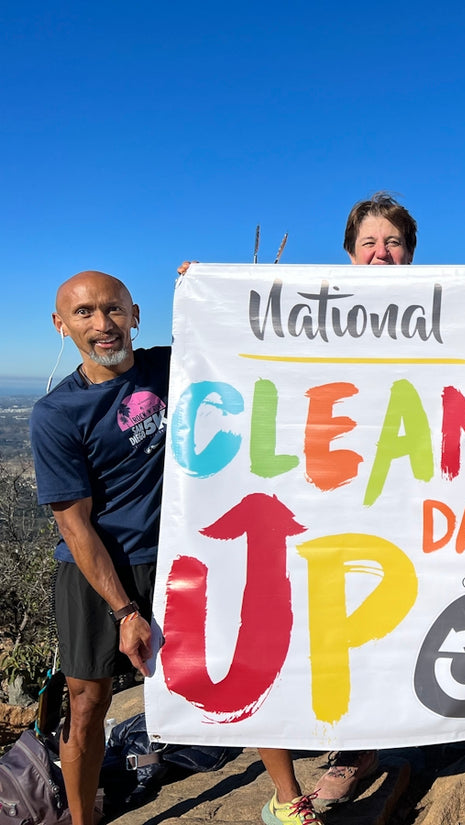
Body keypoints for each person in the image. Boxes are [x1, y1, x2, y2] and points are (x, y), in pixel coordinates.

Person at [308, 194, 465, 807]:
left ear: (411, 252)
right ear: (350, 254)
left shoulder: (452, 309)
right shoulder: (319, 314)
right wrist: (206, 296)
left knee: (461, 593)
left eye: (394, 244)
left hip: (444, 489)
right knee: (358, 613)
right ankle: (356, 749)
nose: (381, 255)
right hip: (354, 496)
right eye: (368, 245)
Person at [30, 271, 168, 825]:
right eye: (84, 313)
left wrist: (206, 282)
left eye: (113, 310)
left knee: (229, 669)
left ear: (135, 314)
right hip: (98, 572)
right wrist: (126, 611)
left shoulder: (171, 365)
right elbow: (76, 527)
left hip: (178, 554)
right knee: (88, 703)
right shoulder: (56, 414)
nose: (102, 324)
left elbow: (245, 340)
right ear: (62, 326)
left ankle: (283, 793)